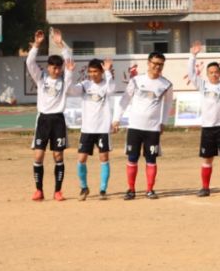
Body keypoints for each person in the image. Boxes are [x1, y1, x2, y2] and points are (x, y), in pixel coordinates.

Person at [115, 51, 173, 200]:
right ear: (148, 63)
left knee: (151, 159)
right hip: (134, 127)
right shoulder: (136, 80)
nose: (157, 67)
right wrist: (117, 119)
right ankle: (131, 190)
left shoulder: (166, 84)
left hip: (152, 129)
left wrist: (163, 122)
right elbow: (125, 99)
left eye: (160, 64)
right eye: (154, 63)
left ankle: (149, 190)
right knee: (132, 158)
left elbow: (167, 105)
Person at [27, 28, 73, 201]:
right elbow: (30, 63)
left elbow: (69, 61)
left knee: (58, 156)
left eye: (58, 67)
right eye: (53, 67)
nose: (56, 70)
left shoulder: (65, 79)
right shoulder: (41, 78)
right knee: (38, 155)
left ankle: (58, 191)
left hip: (58, 120)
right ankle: (38, 190)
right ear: (48, 67)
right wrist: (37, 45)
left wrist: (61, 44)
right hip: (43, 119)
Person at [189, 41, 220, 197]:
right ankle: (205, 188)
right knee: (207, 159)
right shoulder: (202, 85)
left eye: (216, 72)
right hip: (208, 128)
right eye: (211, 72)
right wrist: (193, 56)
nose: (214, 74)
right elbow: (191, 74)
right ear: (207, 74)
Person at [69, 57, 116, 200]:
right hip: (87, 129)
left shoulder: (106, 84)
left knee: (104, 157)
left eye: (95, 71)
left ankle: (103, 190)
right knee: (81, 158)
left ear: (101, 71)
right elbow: (71, 90)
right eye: (90, 71)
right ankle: (84, 188)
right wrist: (69, 73)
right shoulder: (85, 85)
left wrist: (108, 72)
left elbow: (112, 89)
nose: (93, 74)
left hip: (102, 128)